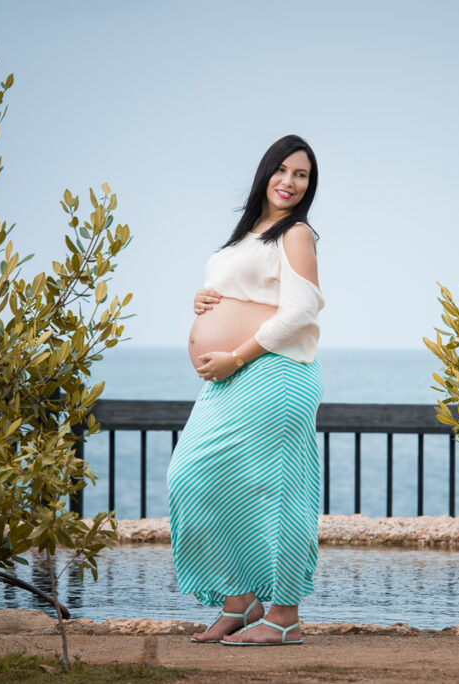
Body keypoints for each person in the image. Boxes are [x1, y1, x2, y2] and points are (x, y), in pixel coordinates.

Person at [166, 135, 324, 646]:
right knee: (191, 475)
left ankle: (284, 616)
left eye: (301, 175)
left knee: (278, 491)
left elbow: (302, 309)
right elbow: (249, 293)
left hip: (273, 372)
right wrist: (204, 299)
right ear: (265, 174)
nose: (290, 182)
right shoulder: (246, 235)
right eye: (282, 170)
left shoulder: (296, 233)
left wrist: (235, 354)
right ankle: (240, 600)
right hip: (232, 379)